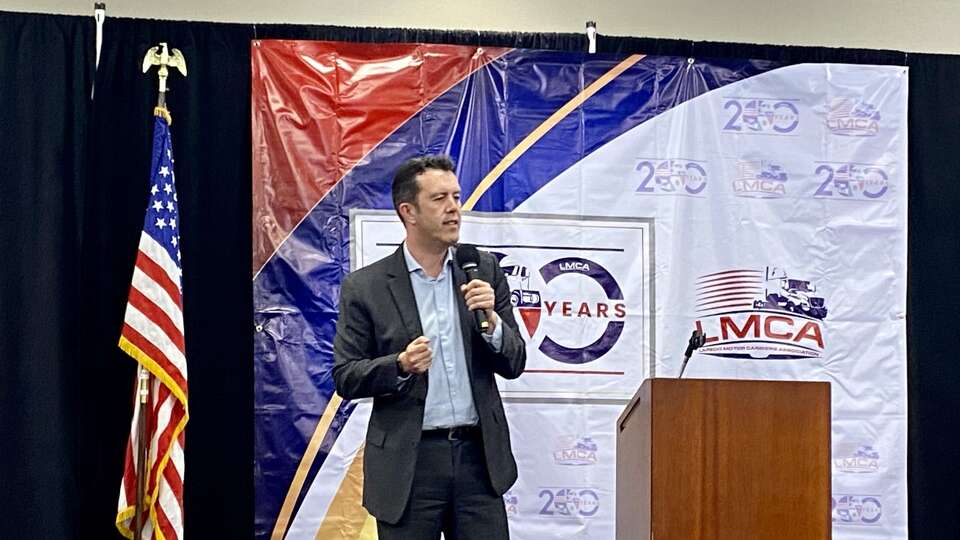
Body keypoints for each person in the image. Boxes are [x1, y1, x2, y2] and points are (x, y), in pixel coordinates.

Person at [333, 155, 526, 539]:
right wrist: (399, 365)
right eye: (440, 199)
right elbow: (346, 376)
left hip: (478, 460)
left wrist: (493, 323)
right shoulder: (367, 287)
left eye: (456, 197)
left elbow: (515, 360)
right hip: (410, 463)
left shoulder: (482, 270)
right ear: (409, 212)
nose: (454, 208)